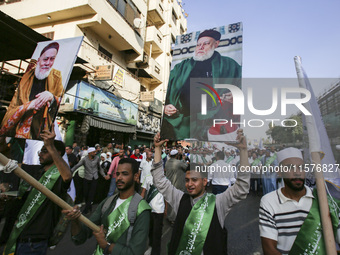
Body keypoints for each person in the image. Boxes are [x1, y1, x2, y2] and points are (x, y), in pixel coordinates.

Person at [152, 130, 250, 254]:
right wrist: (157, 148)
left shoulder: (218, 203)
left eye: (194, 180)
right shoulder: (180, 199)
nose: (189, 184)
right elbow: (160, 181)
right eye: (187, 180)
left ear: (205, 181)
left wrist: (243, 151)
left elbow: (242, 188)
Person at [162, 29, 241, 140]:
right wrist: (165, 107)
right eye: (198, 44)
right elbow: (167, 90)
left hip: (213, 122)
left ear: (216, 44)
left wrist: (236, 97)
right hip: (181, 123)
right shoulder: (181, 67)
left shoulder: (229, 65)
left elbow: (242, 88)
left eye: (206, 43)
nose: (201, 47)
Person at [3, 127, 72, 255]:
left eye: (45, 151)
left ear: (57, 153)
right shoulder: (36, 171)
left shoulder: (58, 177)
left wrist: (50, 145)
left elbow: (67, 176)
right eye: (41, 151)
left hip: (34, 241)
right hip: (17, 234)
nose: (40, 154)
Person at [259, 147, 340, 255]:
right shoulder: (269, 202)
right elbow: (269, 249)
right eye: (290, 168)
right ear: (279, 172)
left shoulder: (323, 199)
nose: (297, 172)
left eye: (301, 167)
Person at [63, 158, 151, 255]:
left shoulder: (142, 209)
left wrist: (106, 246)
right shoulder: (107, 203)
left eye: (125, 174)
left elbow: (136, 252)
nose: (119, 178)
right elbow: (80, 237)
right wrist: (75, 220)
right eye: (117, 174)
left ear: (136, 176)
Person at [0, 42, 64, 140]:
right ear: (38, 60)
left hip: (40, 134)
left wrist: (51, 96)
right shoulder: (26, 78)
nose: (48, 63)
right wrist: (29, 106)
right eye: (45, 59)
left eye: (52, 59)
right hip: (18, 133)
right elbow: (13, 107)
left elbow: (60, 99)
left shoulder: (56, 76)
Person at [71, 147, 104, 214]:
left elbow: (99, 168)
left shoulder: (97, 158)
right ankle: (89, 205)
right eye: (94, 152)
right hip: (87, 178)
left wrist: (104, 175)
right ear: (90, 153)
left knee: (91, 193)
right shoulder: (84, 159)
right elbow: (77, 166)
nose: (95, 153)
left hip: (95, 178)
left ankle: (86, 209)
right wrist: (70, 171)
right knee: (86, 193)